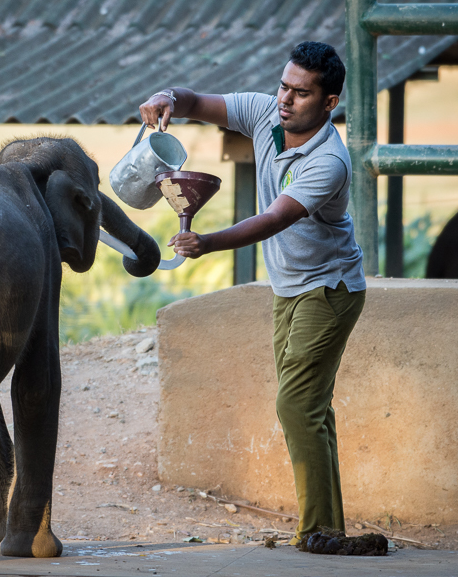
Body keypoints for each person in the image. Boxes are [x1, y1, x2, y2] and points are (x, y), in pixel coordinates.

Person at [139, 41, 366, 544]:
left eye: (301, 93)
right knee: (312, 409)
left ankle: (316, 531)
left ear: (329, 103)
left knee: (296, 405)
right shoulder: (266, 113)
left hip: (328, 289)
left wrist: (209, 242)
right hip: (289, 289)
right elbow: (197, 102)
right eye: (283, 86)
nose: (285, 99)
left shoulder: (329, 160)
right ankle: (329, 529)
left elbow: (274, 218)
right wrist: (168, 97)